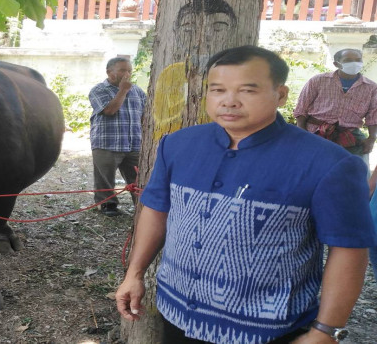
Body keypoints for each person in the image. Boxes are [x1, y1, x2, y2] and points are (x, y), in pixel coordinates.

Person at [115, 46, 375, 343]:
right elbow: (156, 210)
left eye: (247, 91)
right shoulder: (177, 145)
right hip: (177, 314)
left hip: (266, 329)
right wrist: (134, 274)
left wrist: (327, 331)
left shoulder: (330, 164)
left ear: (281, 94)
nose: (229, 101)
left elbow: (349, 249)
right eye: (217, 90)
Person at [294, 48, 377, 163]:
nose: (354, 63)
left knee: (355, 172)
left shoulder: (371, 87)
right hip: (316, 132)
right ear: (336, 64)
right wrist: (302, 133)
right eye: (348, 60)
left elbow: (373, 116)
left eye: (358, 60)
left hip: (350, 135)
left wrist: (372, 138)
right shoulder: (318, 80)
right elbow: (301, 109)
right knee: (311, 169)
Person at [88, 57, 146, 217]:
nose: (127, 74)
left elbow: (145, 116)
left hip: (133, 143)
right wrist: (123, 90)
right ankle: (107, 205)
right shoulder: (99, 90)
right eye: (122, 70)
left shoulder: (138, 91)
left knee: (138, 177)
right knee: (104, 178)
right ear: (109, 72)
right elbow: (109, 111)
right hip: (107, 143)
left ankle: (142, 206)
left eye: (129, 70)